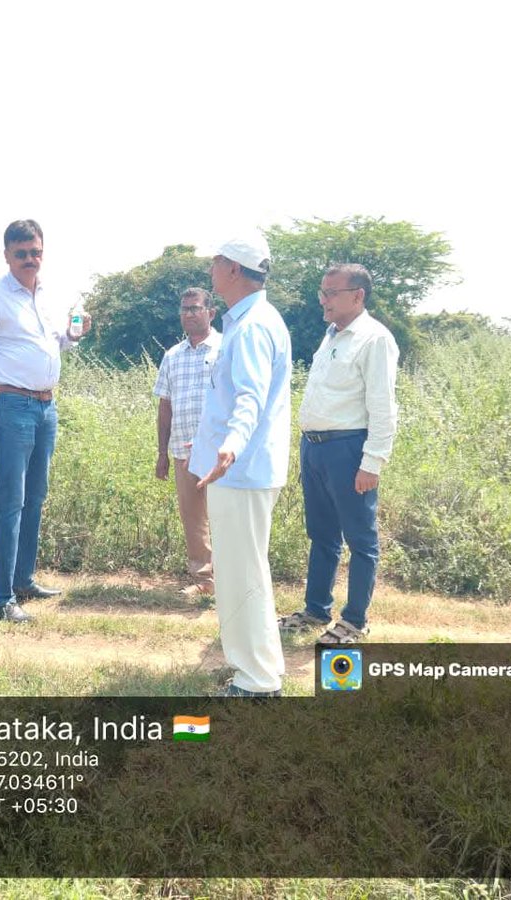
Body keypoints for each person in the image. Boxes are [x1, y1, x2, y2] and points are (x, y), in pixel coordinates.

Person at [0, 219, 89, 623]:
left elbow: (53, 343)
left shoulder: (48, 295)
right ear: (7, 256)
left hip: (46, 408)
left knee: (35, 497)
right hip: (10, 407)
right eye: (22, 254)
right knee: (10, 500)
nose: (30, 260)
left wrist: (71, 335)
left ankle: (22, 581)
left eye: (36, 252)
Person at [189, 231, 291, 697]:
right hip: (241, 470)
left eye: (217, 260)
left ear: (233, 270)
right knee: (244, 572)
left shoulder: (251, 327)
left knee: (241, 575)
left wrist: (230, 445)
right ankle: (257, 667)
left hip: (240, 470)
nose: (211, 267)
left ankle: (257, 681)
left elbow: (249, 396)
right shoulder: (251, 320)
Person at [279, 263, 399, 644]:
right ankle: (316, 610)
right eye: (322, 292)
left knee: (360, 539)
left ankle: (355, 620)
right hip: (315, 449)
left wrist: (373, 461)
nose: (323, 300)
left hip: (349, 449)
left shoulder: (374, 339)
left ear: (358, 295)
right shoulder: (331, 335)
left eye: (331, 293)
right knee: (322, 534)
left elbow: (383, 406)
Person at [154, 287, 221, 598]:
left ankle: (232, 578)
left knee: (225, 515)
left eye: (195, 308)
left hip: (221, 451)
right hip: (183, 449)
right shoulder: (172, 355)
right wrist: (162, 453)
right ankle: (204, 580)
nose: (189, 314)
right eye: (184, 309)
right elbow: (165, 405)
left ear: (211, 312)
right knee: (193, 518)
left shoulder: (225, 348)